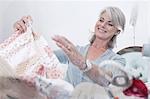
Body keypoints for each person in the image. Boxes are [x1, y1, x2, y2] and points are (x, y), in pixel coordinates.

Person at [14, 6, 128, 87]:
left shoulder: (117, 60)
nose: (102, 25)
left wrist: (83, 64)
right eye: (101, 20)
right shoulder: (76, 51)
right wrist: (25, 34)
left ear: (117, 32)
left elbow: (106, 80)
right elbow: (43, 55)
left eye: (110, 24)